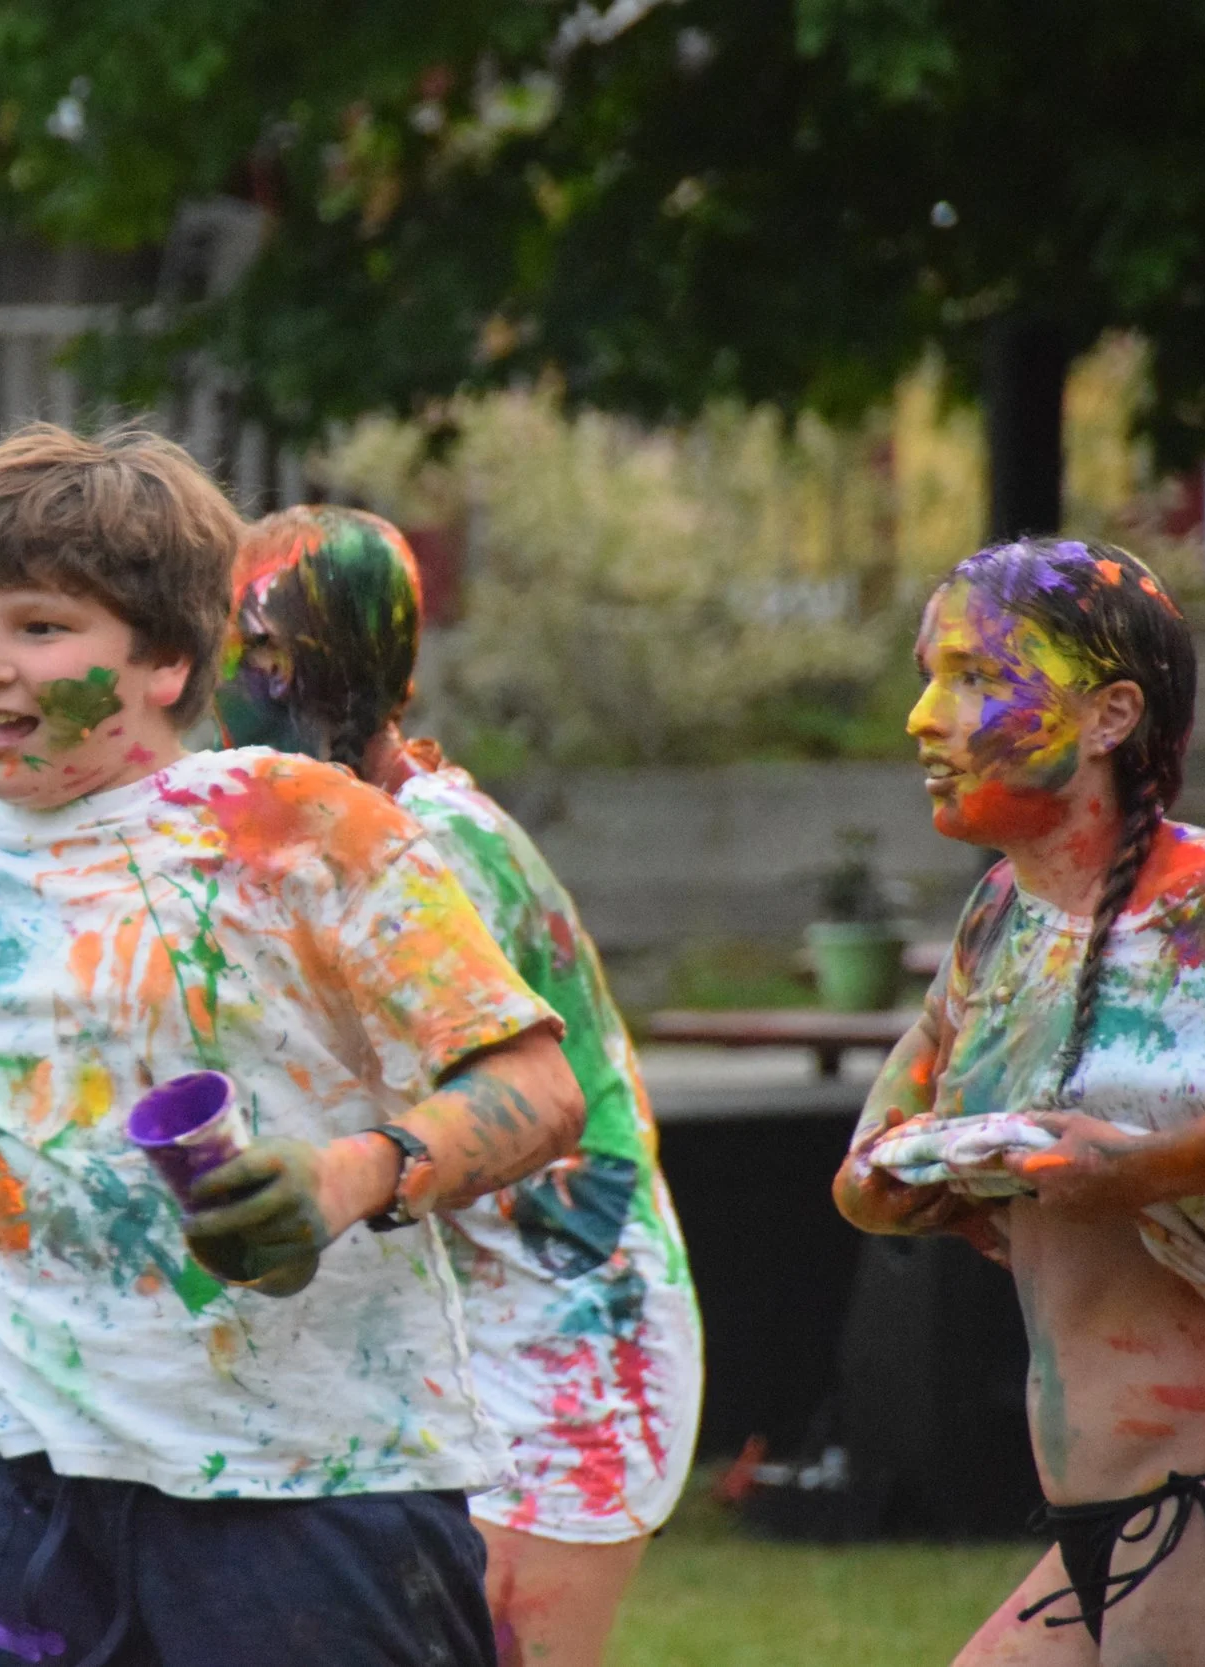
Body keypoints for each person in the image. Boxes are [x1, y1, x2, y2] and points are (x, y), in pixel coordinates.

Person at [0, 424, 588, 1667]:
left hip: (315, 1486)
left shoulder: (300, 828)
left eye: (38, 628)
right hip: (24, 1489)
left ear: (170, 662)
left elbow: (536, 1086)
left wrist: (346, 1176)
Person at [214, 505, 702, 1667]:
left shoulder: (425, 846)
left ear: (284, 664)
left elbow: (494, 1109)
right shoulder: (343, 826)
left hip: (571, 1339)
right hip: (459, 1339)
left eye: (229, 646)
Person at [832, 538, 1205, 1666]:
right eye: (929, 673)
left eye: (971, 676)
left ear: (1109, 715)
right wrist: (929, 1179)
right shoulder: (1000, 921)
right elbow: (869, 1161)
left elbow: (1149, 1162)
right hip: (1102, 1517)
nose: (924, 715)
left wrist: (1135, 1171)